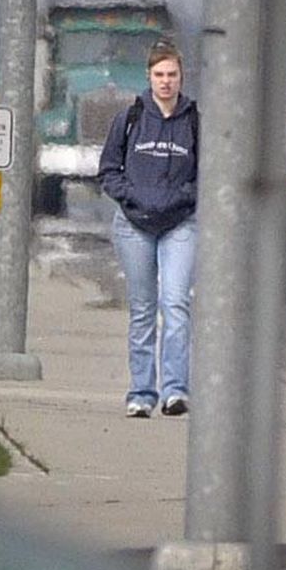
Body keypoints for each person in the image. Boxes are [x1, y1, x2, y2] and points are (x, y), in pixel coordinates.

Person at [97, 41, 199, 418]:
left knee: (175, 303)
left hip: (180, 224)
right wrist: (131, 197)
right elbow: (108, 170)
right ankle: (141, 392)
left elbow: (207, 173)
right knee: (142, 309)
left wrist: (183, 197)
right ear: (149, 77)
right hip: (133, 225)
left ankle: (175, 390)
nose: (166, 82)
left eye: (172, 75)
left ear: (181, 77)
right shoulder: (130, 119)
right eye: (159, 75)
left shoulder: (194, 121)